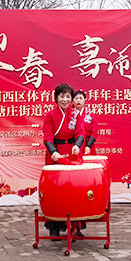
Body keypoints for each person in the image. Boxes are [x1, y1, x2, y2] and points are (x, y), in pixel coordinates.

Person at [42, 83, 85, 236]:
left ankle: (76, 225)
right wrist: (53, 151)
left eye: (68, 96)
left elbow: (80, 133)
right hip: (56, 154)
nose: (65, 99)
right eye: (62, 96)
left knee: (75, 189)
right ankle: (54, 226)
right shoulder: (50, 115)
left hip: (72, 153)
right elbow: (47, 136)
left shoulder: (76, 115)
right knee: (55, 190)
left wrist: (78, 145)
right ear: (56, 98)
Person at [73, 90, 98, 155]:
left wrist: (88, 145)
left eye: (81, 98)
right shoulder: (70, 115)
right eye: (76, 98)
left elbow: (94, 132)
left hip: (87, 146)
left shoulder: (90, 115)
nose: (78, 100)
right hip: (74, 145)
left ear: (85, 100)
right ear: (72, 101)